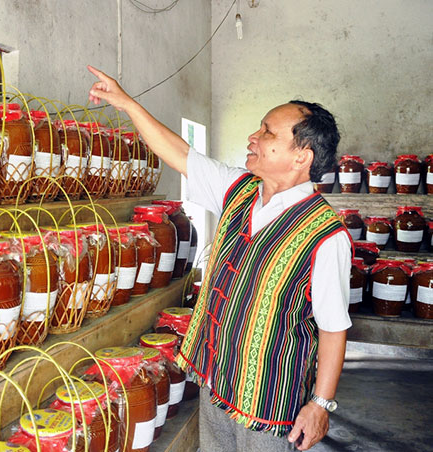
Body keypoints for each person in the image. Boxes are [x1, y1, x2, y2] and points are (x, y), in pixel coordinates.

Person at [87, 65, 351, 452]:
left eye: (267, 132)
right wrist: (127, 104)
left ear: (301, 156)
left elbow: (332, 326)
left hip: (269, 400)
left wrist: (320, 403)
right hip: (215, 378)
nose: (253, 137)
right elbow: (180, 153)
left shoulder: (326, 235)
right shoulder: (238, 189)